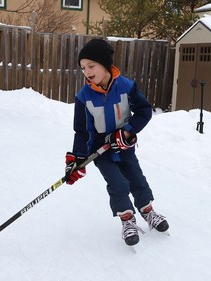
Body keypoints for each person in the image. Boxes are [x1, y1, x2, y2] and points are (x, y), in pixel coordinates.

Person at [64, 38, 169, 246]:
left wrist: (128, 132)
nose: (87, 71)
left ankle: (147, 211)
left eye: (91, 65)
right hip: (101, 152)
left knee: (137, 178)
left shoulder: (126, 86)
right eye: (83, 67)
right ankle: (127, 220)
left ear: (105, 65)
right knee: (118, 184)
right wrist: (77, 159)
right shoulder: (83, 97)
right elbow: (82, 132)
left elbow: (144, 111)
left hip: (125, 147)